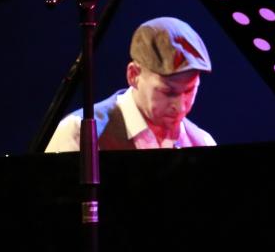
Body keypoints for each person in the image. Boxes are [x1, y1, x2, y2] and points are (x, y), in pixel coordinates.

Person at [45, 16, 216, 152]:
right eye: (168, 92)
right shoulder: (79, 134)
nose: (180, 107)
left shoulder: (202, 143)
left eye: (189, 90)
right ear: (133, 75)